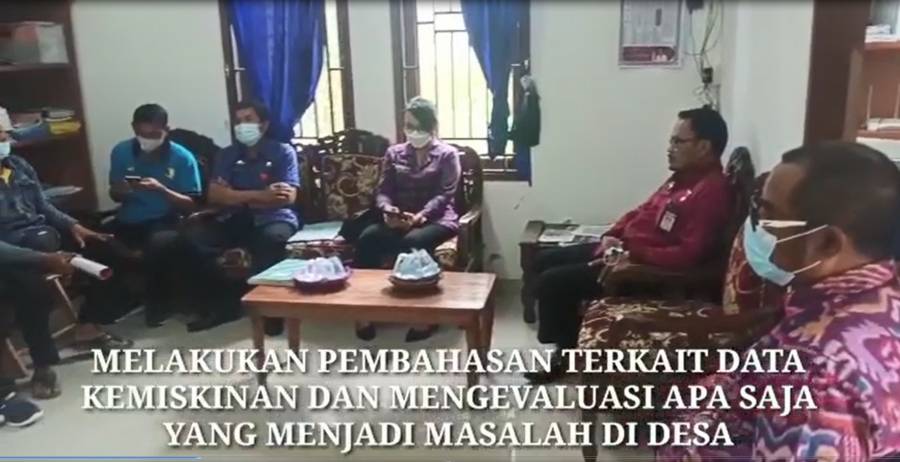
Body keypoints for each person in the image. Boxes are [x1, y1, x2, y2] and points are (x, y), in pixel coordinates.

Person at [658, 141, 900, 461]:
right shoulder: (883, 300)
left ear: (827, 243)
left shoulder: (811, 375)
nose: (760, 229)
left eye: (770, 218)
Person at [526, 107, 731, 384]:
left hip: (641, 271)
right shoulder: (681, 178)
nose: (669, 148)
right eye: (670, 141)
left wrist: (633, 255)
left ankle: (566, 354)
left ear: (704, 147)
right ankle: (567, 344)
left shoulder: (710, 191)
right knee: (543, 260)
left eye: (677, 141)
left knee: (554, 282)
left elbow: (689, 255)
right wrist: (613, 234)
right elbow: (641, 211)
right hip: (621, 250)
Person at [0, 123, 132, 399]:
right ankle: (44, 365)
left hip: (38, 238)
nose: (4, 140)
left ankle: (88, 325)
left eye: (5, 134)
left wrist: (74, 226)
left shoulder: (17, 166)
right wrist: (46, 259)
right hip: (9, 253)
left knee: (106, 247)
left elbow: (43, 206)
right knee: (30, 284)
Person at [183, 100, 299, 333]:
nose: (241, 126)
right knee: (197, 237)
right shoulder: (227, 155)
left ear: (263, 125)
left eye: (248, 120)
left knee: (271, 239)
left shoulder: (282, 152)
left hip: (273, 217)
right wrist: (261, 195)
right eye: (237, 121)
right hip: (233, 216)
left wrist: (234, 195)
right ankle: (223, 307)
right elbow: (215, 195)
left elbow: (286, 197)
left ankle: (271, 312)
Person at [353, 97, 461, 342]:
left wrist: (421, 216)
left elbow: (445, 194)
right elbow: (383, 190)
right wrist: (387, 210)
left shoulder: (447, 155)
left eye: (418, 127)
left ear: (431, 126)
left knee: (414, 242)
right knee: (368, 238)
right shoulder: (394, 153)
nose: (413, 132)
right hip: (399, 217)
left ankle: (424, 317)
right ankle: (363, 311)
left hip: (436, 219)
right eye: (408, 126)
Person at [106, 104, 202, 327]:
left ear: (166, 129)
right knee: (98, 241)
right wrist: (119, 191)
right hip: (129, 218)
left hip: (165, 219)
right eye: (143, 134)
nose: (147, 140)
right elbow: (114, 194)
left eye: (154, 135)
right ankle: (113, 303)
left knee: (159, 243)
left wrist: (162, 190)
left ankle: (159, 305)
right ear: (134, 128)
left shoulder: (182, 157)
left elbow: (191, 205)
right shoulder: (121, 151)